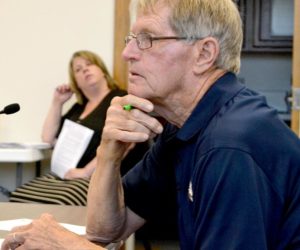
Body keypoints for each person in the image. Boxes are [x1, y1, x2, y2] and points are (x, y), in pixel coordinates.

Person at [2, 0, 300, 249]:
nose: (127, 53)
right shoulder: (182, 126)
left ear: (204, 54)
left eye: (147, 39)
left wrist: (68, 245)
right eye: (131, 40)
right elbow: (106, 230)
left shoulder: (231, 144)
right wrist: (108, 152)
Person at [9, 50, 149, 206]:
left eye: (89, 64)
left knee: (56, 203)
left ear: (102, 70)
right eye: (78, 69)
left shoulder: (120, 99)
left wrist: (85, 172)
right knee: (19, 196)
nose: (85, 70)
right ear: (75, 81)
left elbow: (127, 143)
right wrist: (57, 102)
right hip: (67, 177)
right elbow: (48, 138)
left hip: (99, 177)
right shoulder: (78, 108)